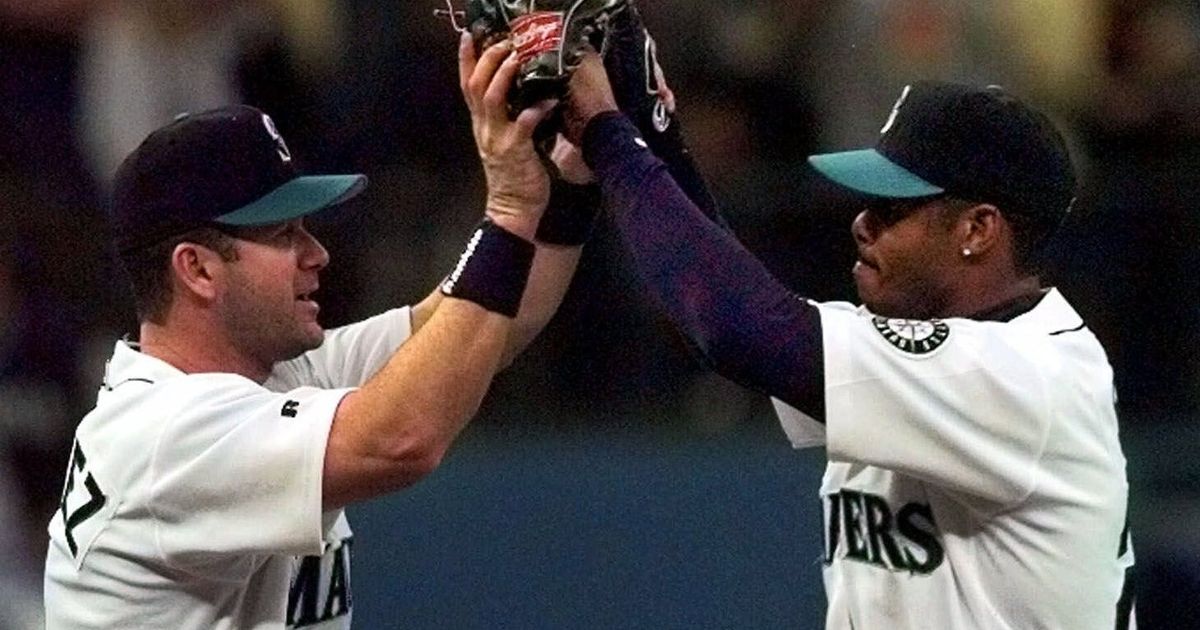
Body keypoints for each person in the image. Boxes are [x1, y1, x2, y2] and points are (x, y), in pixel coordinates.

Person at [557, 53, 1136, 629]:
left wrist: (610, 138)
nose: (862, 221)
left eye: (893, 206)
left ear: (977, 229)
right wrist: (640, 103)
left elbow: (739, 327)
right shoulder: (934, 349)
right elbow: (728, 286)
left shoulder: (1027, 373)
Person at [44, 35, 582, 629]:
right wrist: (506, 212)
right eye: (282, 235)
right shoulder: (165, 435)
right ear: (197, 269)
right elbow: (403, 438)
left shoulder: (267, 372)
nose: (317, 254)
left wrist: (571, 178)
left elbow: (488, 328)